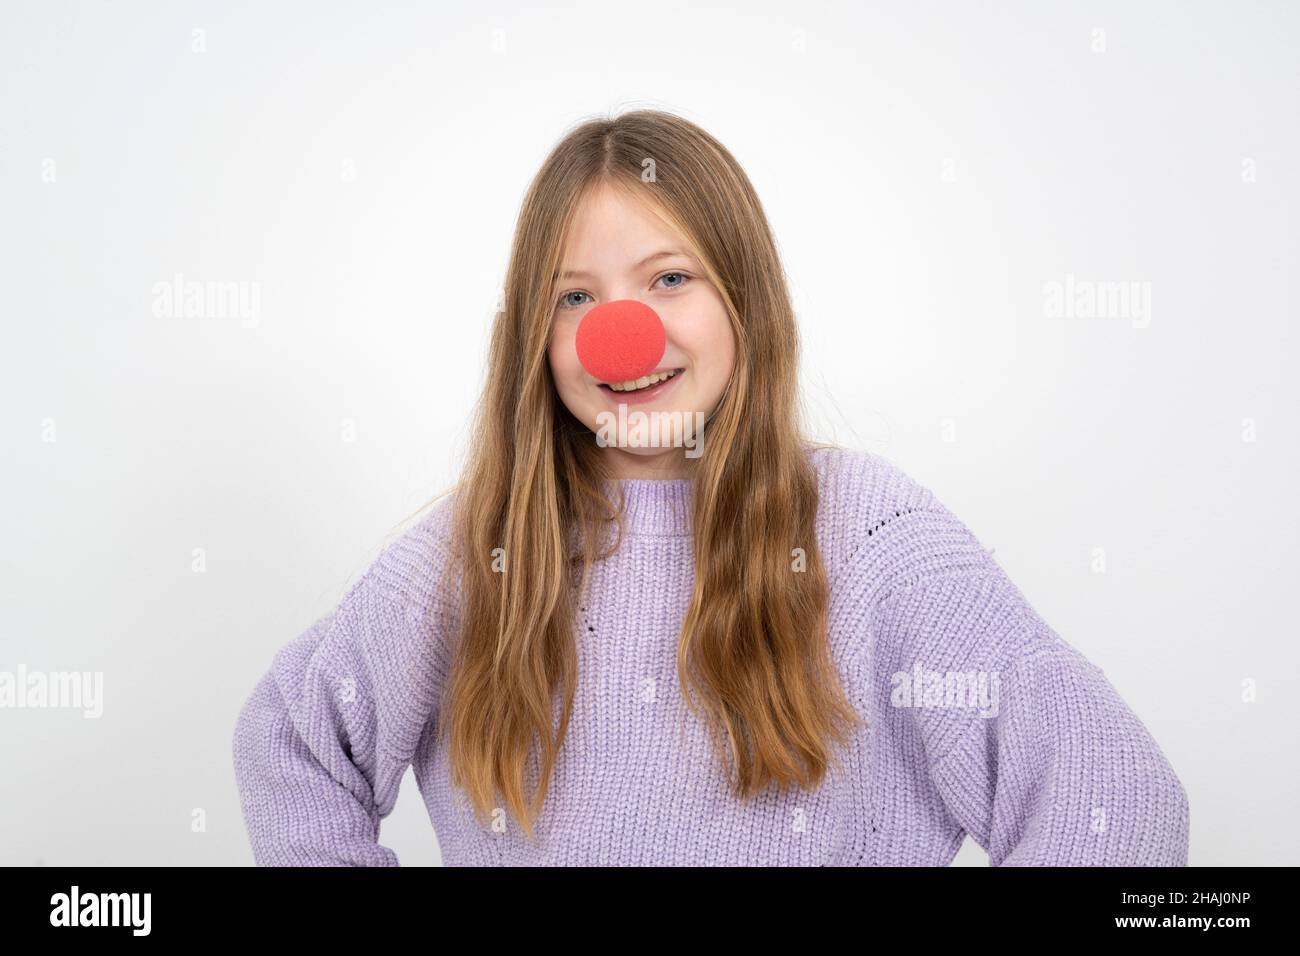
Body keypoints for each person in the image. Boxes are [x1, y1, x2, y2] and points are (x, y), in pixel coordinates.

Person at [232, 109, 1189, 866]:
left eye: (668, 278)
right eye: (575, 297)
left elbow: (1114, 803)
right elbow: (292, 742)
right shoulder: (475, 554)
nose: (624, 333)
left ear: (746, 301)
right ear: (532, 335)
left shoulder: (870, 538)